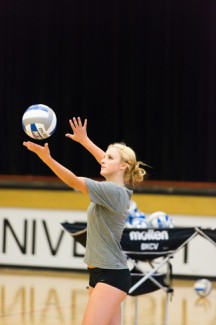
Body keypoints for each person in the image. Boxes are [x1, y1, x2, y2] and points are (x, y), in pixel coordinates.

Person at [23, 117, 147, 325]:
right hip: (101, 273)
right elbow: (109, 163)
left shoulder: (112, 191)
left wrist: (46, 158)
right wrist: (85, 141)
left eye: (109, 157)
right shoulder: (118, 188)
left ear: (123, 166)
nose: (103, 159)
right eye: (104, 156)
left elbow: (73, 180)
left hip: (111, 276)